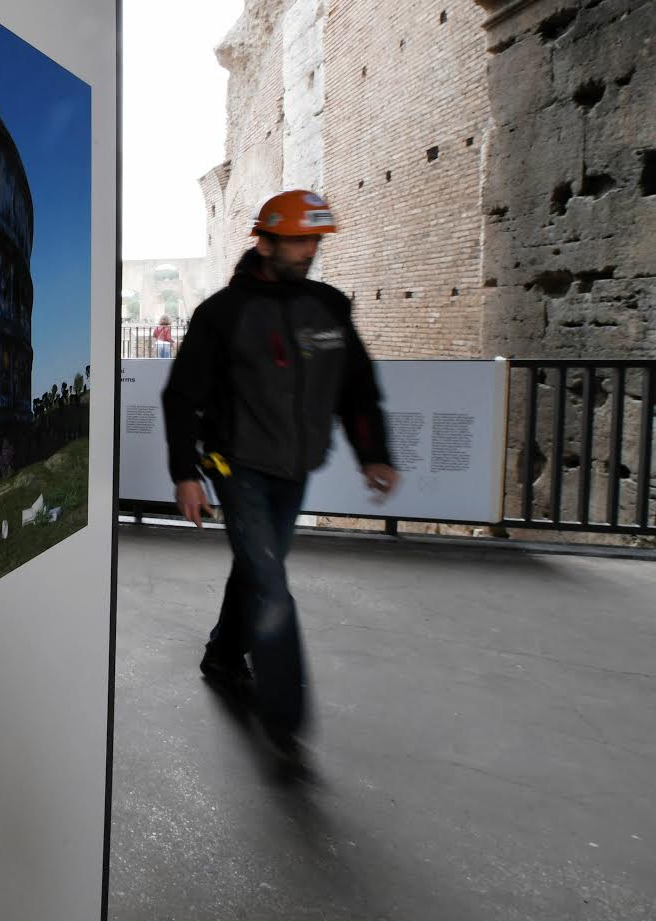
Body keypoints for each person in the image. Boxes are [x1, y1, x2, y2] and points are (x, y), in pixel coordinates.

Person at [160, 189, 399, 763]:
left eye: (313, 240)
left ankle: (222, 655)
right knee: (271, 584)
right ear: (264, 242)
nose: (307, 251)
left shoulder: (331, 308)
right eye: (296, 240)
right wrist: (185, 475)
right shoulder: (222, 315)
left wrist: (374, 452)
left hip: (294, 471)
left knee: (256, 567)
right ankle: (285, 720)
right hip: (235, 468)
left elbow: (358, 388)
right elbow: (181, 398)